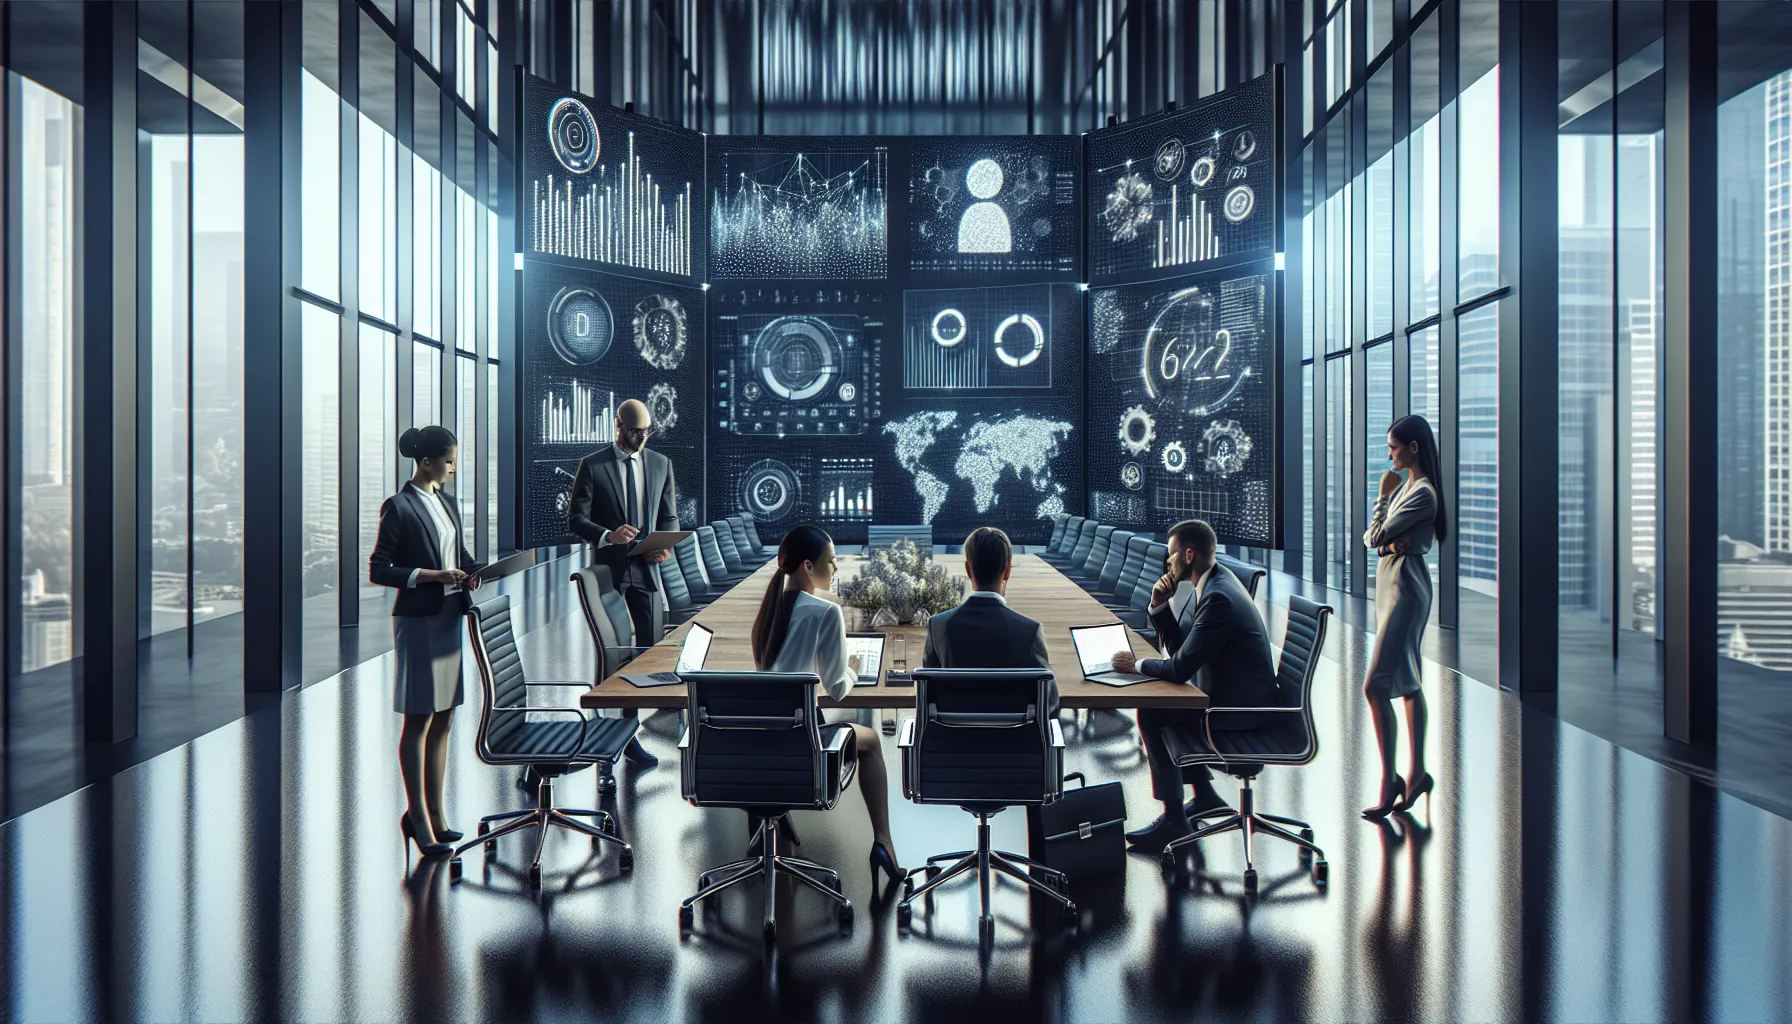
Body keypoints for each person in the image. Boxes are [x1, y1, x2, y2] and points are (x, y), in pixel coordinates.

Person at [1110, 519, 1280, 853]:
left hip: (1241, 713)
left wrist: (1136, 666)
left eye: (1171, 556)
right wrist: (1159, 605)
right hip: (1236, 697)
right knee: (1168, 706)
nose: (1167, 564)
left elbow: (1178, 668)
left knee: (1152, 712)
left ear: (1189, 554)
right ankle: (1204, 797)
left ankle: (1174, 818)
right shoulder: (1215, 583)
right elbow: (1183, 650)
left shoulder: (1218, 599)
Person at [752, 524, 903, 886]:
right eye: (831, 562)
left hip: (759, 743)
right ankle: (883, 841)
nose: (835, 569)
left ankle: (773, 824)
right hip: (804, 743)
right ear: (808, 566)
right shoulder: (824, 612)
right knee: (871, 741)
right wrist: (853, 668)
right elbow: (837, 690)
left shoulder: (766, 612)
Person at [369, 425, 485, 858]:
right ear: (426, 462)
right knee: (418, 720)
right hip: (418, 622)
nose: (454, 468)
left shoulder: (447, 503)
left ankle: (436, 815)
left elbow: (460, 556)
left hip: (449, 618)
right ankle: (417, 817)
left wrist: (478, 571)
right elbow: (379, 569)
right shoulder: (397, 507)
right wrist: (431, 577)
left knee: (445, 719)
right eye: (450, 460)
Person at [567, 397, 676, 769]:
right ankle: (603, 740)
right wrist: (607, 535)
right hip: (609, 572)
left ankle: (628, 737)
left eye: (646, 432)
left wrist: (664, 546)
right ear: (618, 426)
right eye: (634, 431)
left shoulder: (661, 464)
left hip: (646, 570)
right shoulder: (593, 466)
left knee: (646, 654)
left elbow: (670, 517)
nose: (641, 438)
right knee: (610, 654)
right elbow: (576, 520)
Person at [1360, 415, 1447, 818]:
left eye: (1393, 446)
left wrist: (1380, 496)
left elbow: (1375, 535)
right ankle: (1418, 774)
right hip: (1393, 585)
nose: (1389, 453)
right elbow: (1374, 541)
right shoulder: (1408, 487)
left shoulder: (1421, 493)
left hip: (1405, 591)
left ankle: (1391, 779)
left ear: (1413, 447)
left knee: (1376, 686)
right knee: (1409, 682)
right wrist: (1385, 544)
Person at [922, 527, 1052, 677]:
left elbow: (928, 690)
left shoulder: (938, 626)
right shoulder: (1030, 631)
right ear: (1008, 571)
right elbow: (1049, 696)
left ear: (968, 570)